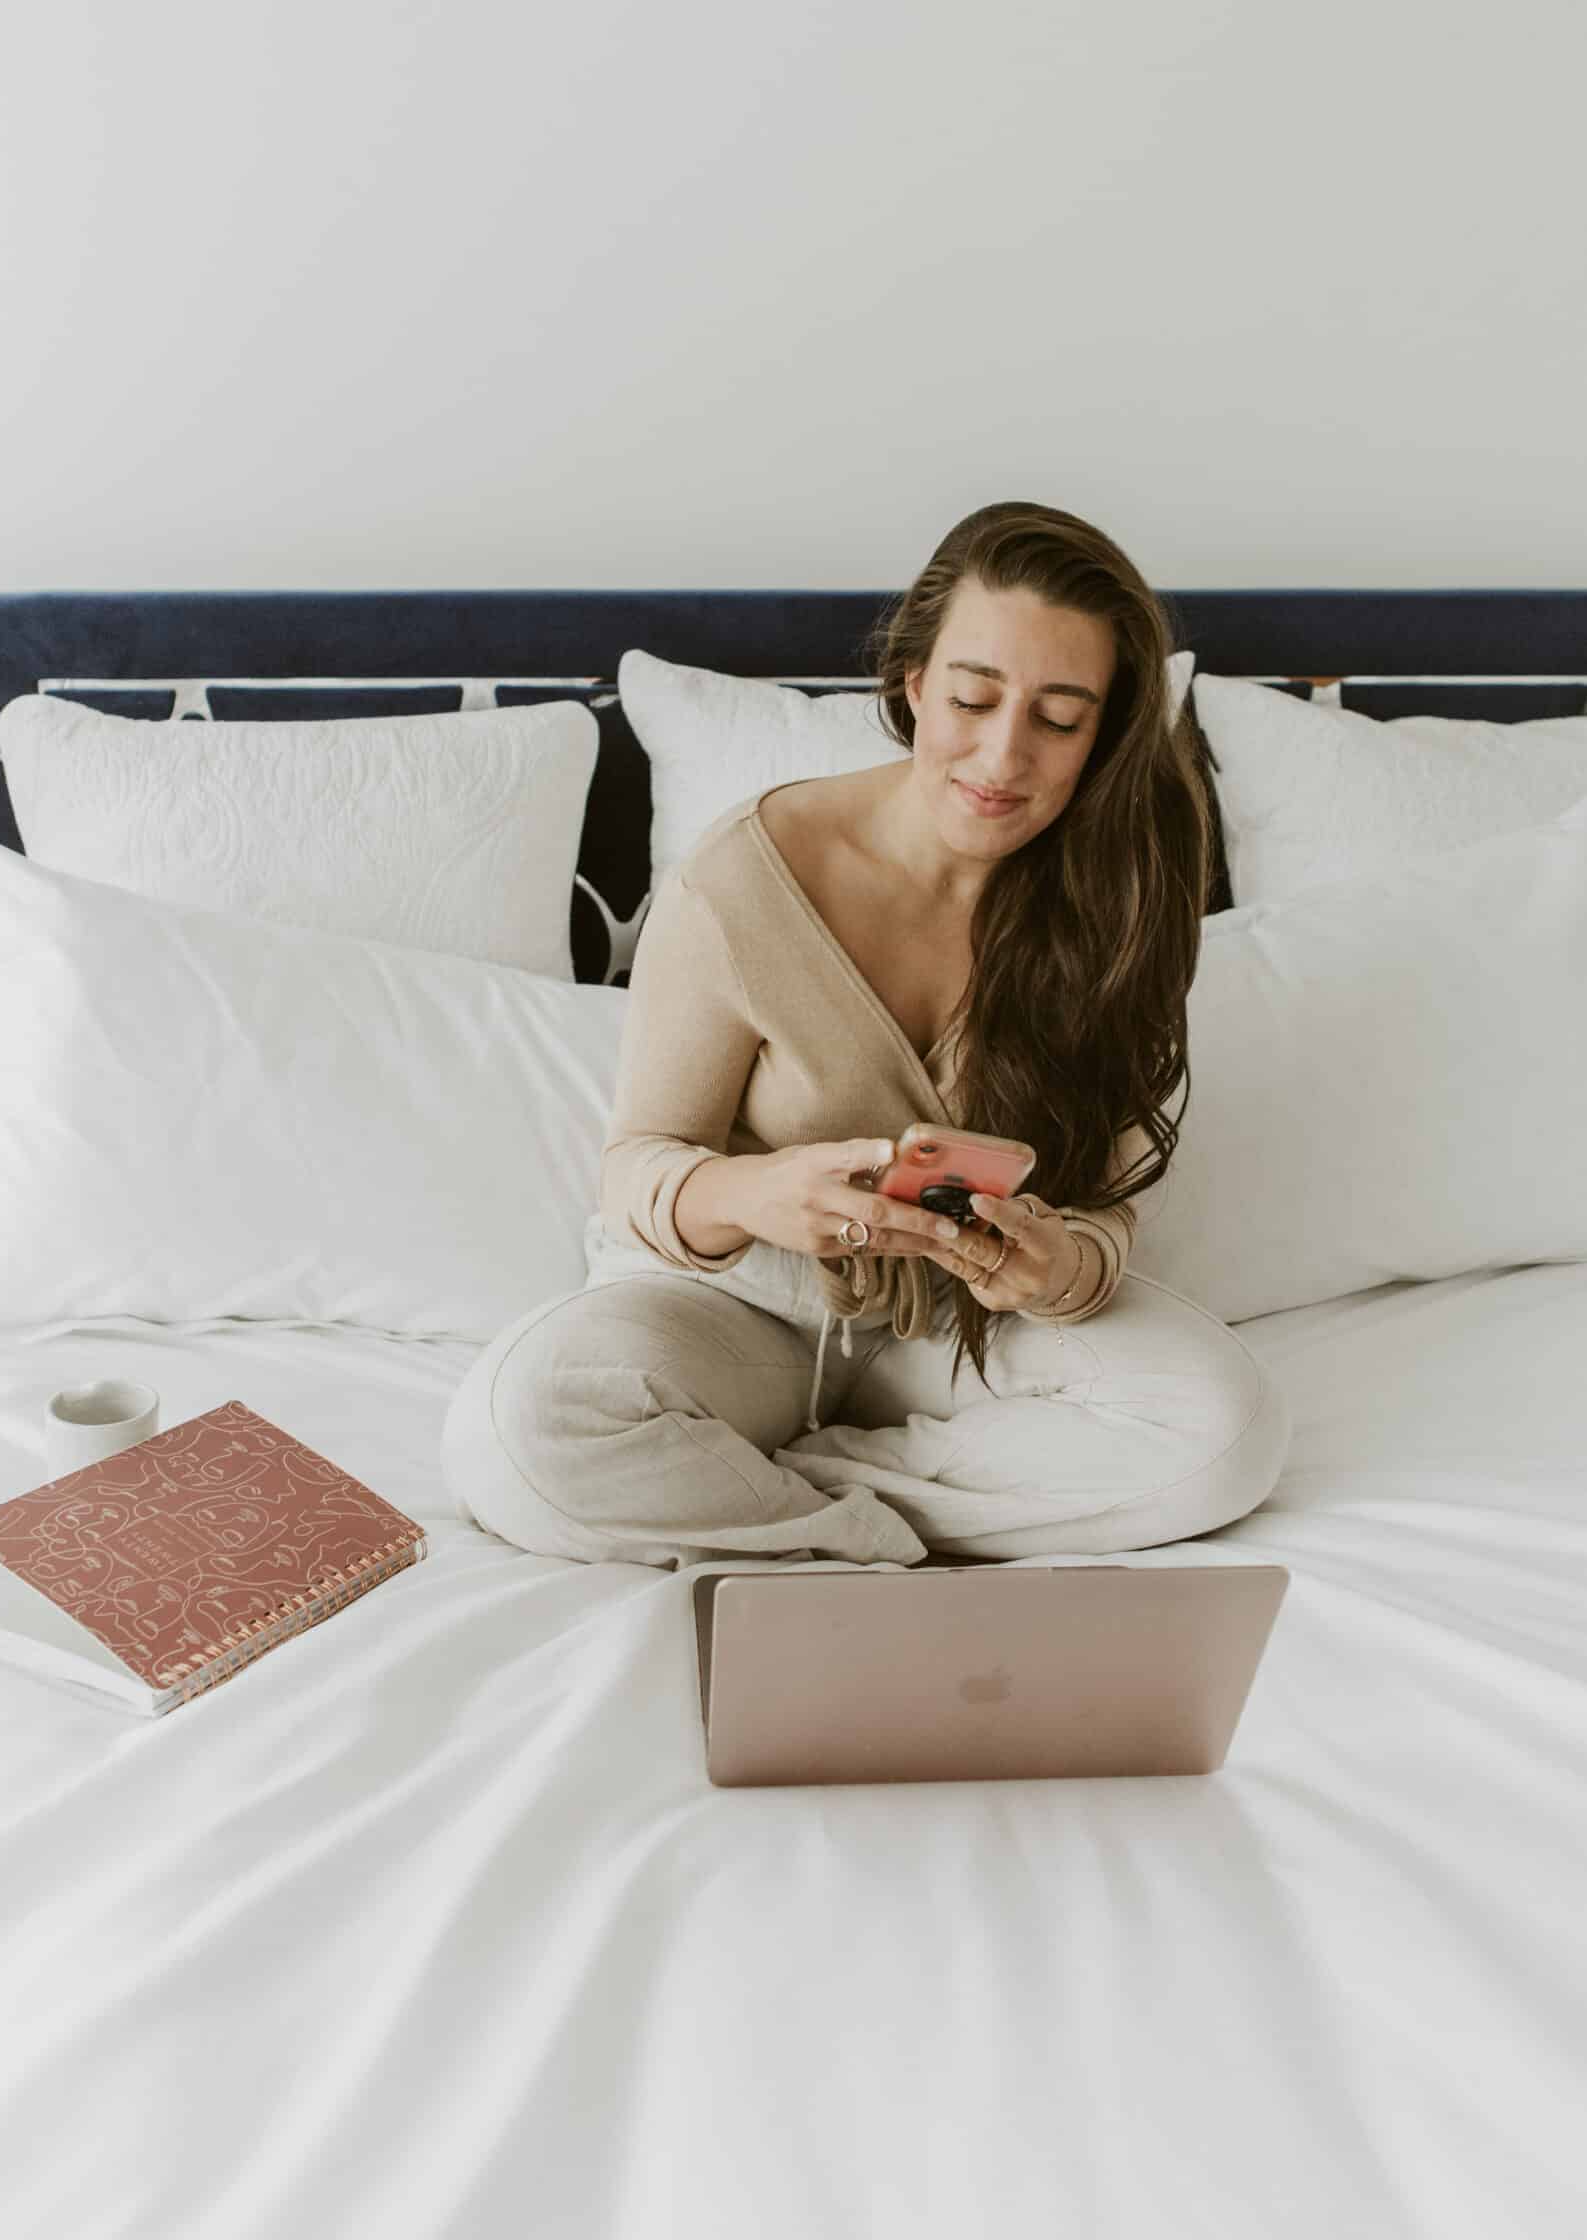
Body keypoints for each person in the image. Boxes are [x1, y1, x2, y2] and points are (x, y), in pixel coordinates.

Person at [441, 501, 1291, 1570]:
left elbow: (1106, 1214)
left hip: (968, 1338)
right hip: (741, 1312)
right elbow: (637, 1167)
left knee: (1229, 1430)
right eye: (974, 698)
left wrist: (1058, 1269)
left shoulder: (1125, 899)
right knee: (516, 1429)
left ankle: (783, 1495)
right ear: (912, 683)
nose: (1002, 755)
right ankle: (867, 1540)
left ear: (1106, 735)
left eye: (1059, 718)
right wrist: (759, 1195)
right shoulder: (746, 878)